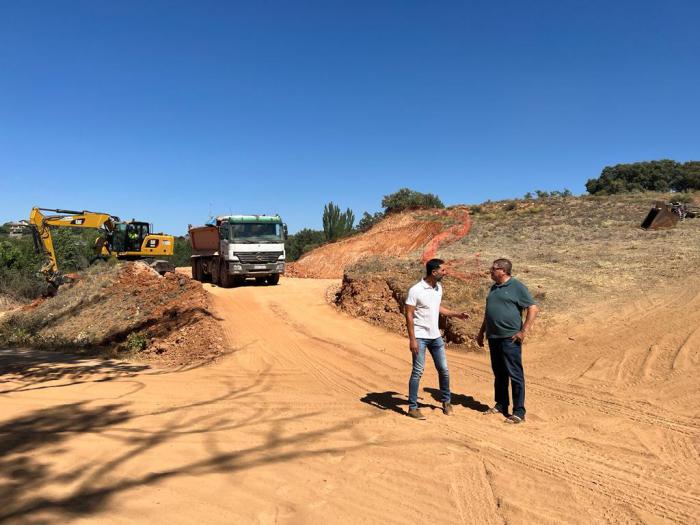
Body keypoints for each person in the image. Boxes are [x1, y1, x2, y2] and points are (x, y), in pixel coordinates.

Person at [477, 258, 539, 424]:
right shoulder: (494, 288)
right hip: (494, 337)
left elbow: (533, 308)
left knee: (515, 374)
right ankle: (501, 404)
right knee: (499, 374)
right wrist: (482, 331)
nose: (490, 271)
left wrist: (523, 331)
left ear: (503, 271)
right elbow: (489, 312)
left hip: (509, 338)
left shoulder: (517, 287)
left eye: (493, 268)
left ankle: (519, 412)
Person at [405, 258, 469, 420]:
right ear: (434, 272)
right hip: (420, 337)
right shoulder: (416, 290)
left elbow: (437, 307)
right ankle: (412, 407)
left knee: (444, 370)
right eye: (443, 270)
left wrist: (457, 314)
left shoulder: (438, 288)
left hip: (435, 337)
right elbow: (409, 315)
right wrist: (412, 339)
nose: (445, 273)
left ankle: (446, 402)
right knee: (418, 371)